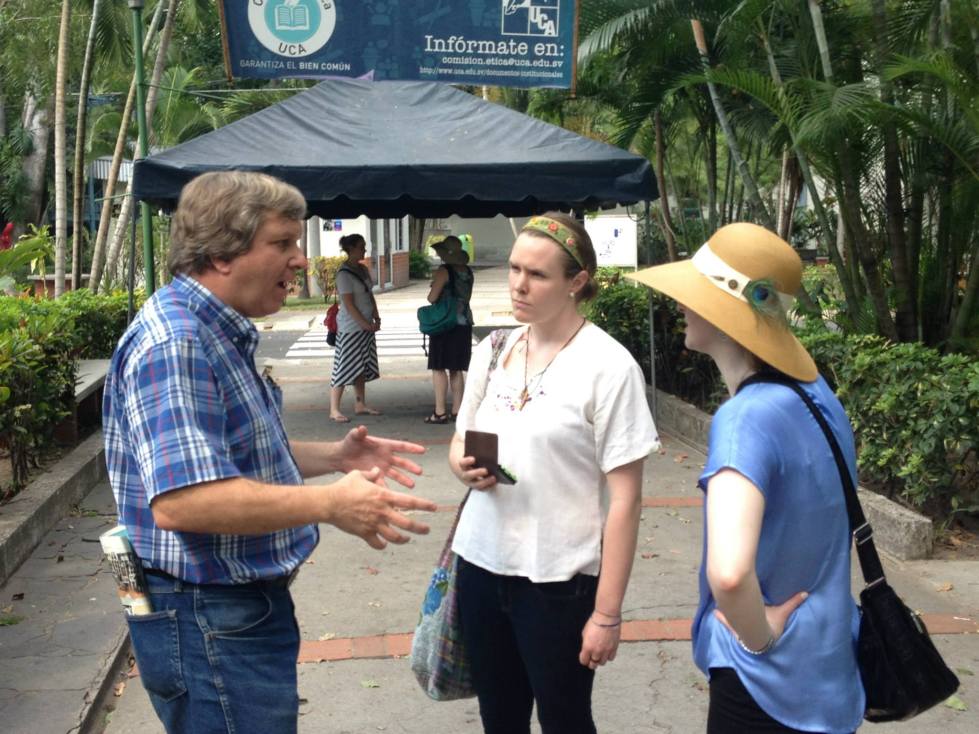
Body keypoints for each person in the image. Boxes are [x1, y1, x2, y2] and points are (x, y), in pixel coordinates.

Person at [102, 171, 438, 734]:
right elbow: (185, 502)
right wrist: (330, 504)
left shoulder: (209, 331)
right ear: (220, 253)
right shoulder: (178, 342)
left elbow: (225, 456)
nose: (303, 260)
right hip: (209, 619)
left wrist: (333, 458)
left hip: (225, 614)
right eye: (283, 243)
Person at [629, 222, 864, 734]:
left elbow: (730, 574)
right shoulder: (818, 395)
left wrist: (758, 638)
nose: (681, 306)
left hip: (765, 682)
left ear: (724, 313)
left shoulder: (746, 419)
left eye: (693, 294)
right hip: (831, 666)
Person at [447, 212, 660, 734]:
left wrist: (606, 615)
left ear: (576, 282)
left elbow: (626, 500)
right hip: (479, 563)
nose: (519, 283)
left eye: (538, 274)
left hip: (557, 579)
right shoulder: (493, 349)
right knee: (500, 718)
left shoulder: (608, 367)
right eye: (516, 268)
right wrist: (464, 466)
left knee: (565, 718)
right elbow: (459, 438)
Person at [330, 233, 382, 422]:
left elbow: (369, 295)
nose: (364, 249)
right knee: (343, 366)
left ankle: (360, 403)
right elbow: (349, 304)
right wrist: (364, 324)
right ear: (350, 249)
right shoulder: (343, 274)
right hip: (351, 328)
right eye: (361, 246)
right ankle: (334, 409)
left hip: (365, 326)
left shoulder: (362, 269)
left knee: (361, 364)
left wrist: (376, 316)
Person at [424, 235, 475, 423]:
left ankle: (439, 411)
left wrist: (435, 289)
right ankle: (457, 410)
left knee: (438, 367)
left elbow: (432, 298)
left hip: (445, 323)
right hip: (464, 322)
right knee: (457, 368)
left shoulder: (444, 271)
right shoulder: (468, 271)